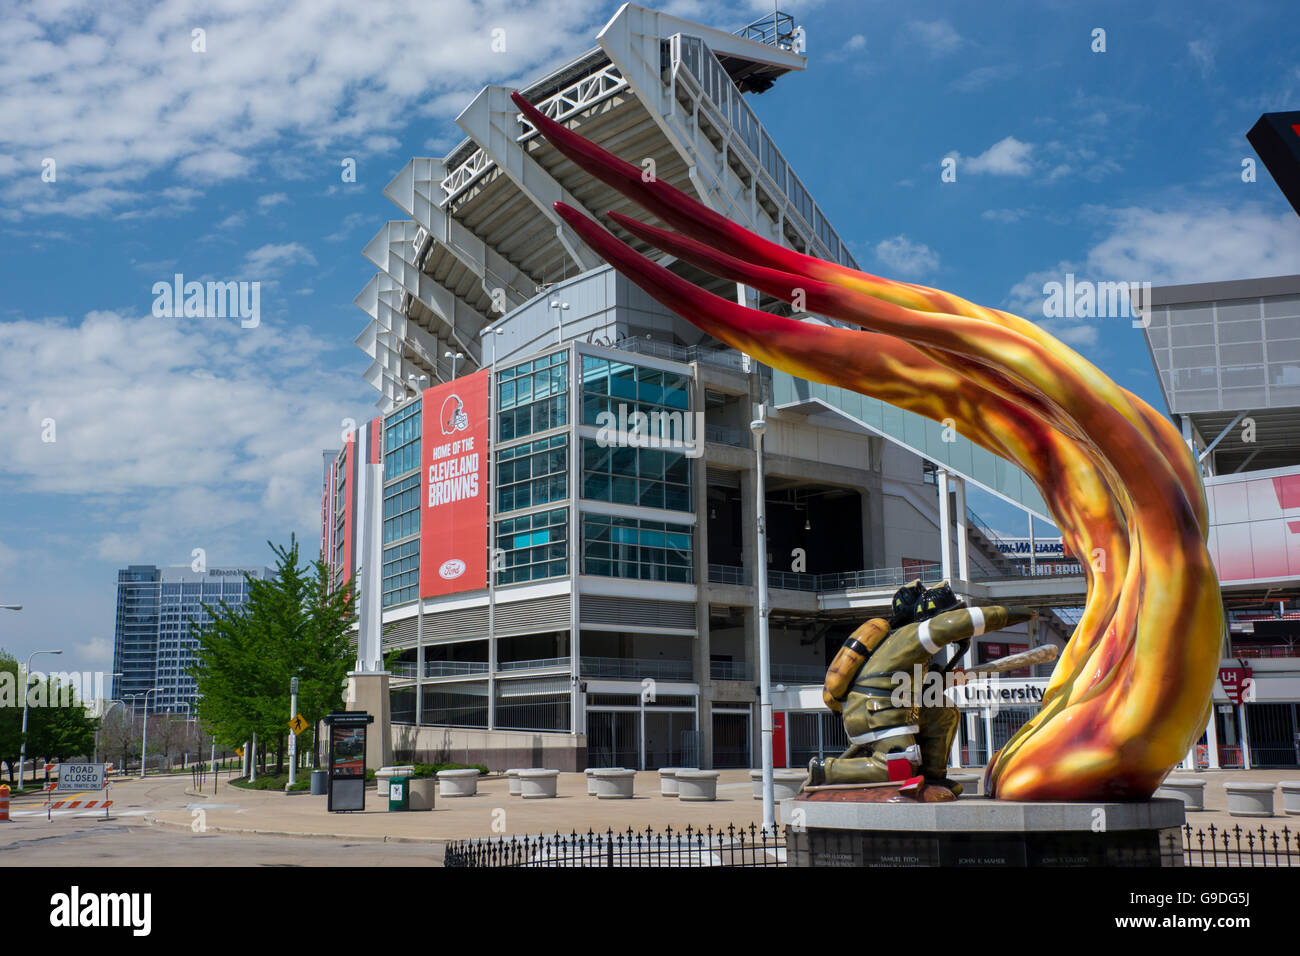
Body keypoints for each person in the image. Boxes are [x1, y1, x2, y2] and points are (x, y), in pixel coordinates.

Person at [806, 580, 1036, 794]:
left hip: (891, 707)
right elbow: (955, 625)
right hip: (878, 709)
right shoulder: (916, 634)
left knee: (942, 712)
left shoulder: (905, 643)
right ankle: (825, 770)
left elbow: (921, 688)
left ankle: (933, 776)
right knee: (897, 766)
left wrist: (943, 679)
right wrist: (1017, 613)